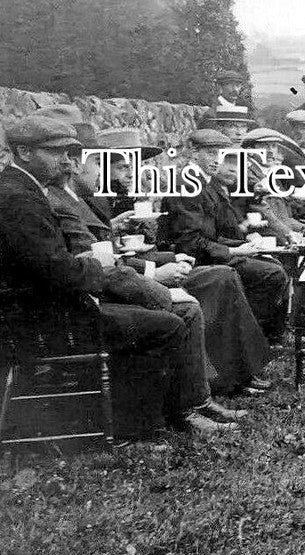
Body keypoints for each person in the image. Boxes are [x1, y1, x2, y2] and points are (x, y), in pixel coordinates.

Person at [0, 116, 240, 435]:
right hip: (47, 319)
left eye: (70, 154)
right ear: (24, 152)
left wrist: (90, 263)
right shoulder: (18, 197)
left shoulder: (27, 189)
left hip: (52, 308)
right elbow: (55, 268)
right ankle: (143, 423)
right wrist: (95, 264)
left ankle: (189, 407)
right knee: (168, 323)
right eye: (55, 152)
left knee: (175, 313)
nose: (66, 161)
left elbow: (55, 262)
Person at [161, 129, 291, 346]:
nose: (216, 161)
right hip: (193, 261)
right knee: (270, 273)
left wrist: (244, 243)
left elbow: (219, 232)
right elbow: (190, 242)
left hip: (210, 254)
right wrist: (234, 250)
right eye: (211, 153)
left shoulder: (207, 184)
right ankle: (252, 340)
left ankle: (262, 338)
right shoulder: (187, 187)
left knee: (272, 264)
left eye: (219, 155)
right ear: (193, 152)